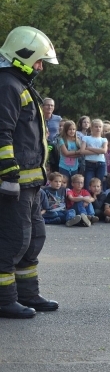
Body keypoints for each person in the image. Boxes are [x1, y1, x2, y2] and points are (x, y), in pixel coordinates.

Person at [0, 27, 60, 318]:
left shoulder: (19, 84)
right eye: (38, 61)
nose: (40, 67)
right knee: (14, 240)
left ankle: (27, 294)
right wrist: (9, 176)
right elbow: (2, 133)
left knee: (34, 237)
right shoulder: (7, 86)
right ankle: (4, 299)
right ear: (22, 56)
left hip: (31, 182)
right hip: (16, 182)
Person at [81, 119, 108, 188]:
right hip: (89, 164)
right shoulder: (86, 138)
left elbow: (104, 151)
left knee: (99, 185)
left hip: (101, 164)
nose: (98, 128)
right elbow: (82, 151)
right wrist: (98, 151)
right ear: (91, 127)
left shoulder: (104, 140)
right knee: (88, 184)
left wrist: (89, 148)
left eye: (100, 127)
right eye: (96, 127)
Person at [57, 120, 82, 185]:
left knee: (73, 185)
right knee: (63, 184)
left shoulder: (77, 140)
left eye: (73, 129)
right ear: (66, 130)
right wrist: (77, 152)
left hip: (74, 167)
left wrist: (69, 154)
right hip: (64, 167)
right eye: (70, 129)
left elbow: (80, 153)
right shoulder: (62, 140)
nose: (72, 131)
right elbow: (66, 153)